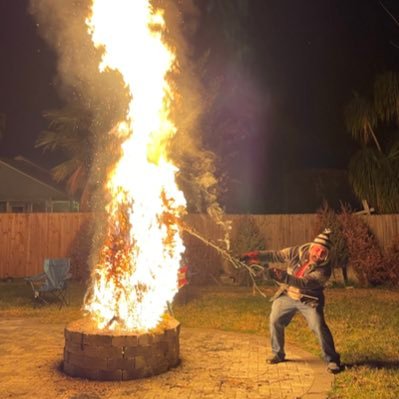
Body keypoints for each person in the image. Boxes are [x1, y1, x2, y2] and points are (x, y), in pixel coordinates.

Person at [240, 228, 341, 374]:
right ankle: (278, 354)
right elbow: (276, 255)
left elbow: (305, 283)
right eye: (317, 250)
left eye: (323, 253)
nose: (318, 255)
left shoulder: (325, 269)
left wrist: (281, 276)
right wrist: (251, 256)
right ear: (312, 247)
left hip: (309, 300)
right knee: (275, 319)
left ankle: (332, 360)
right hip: (287, 295)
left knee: (318, 326)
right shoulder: (297, 251)